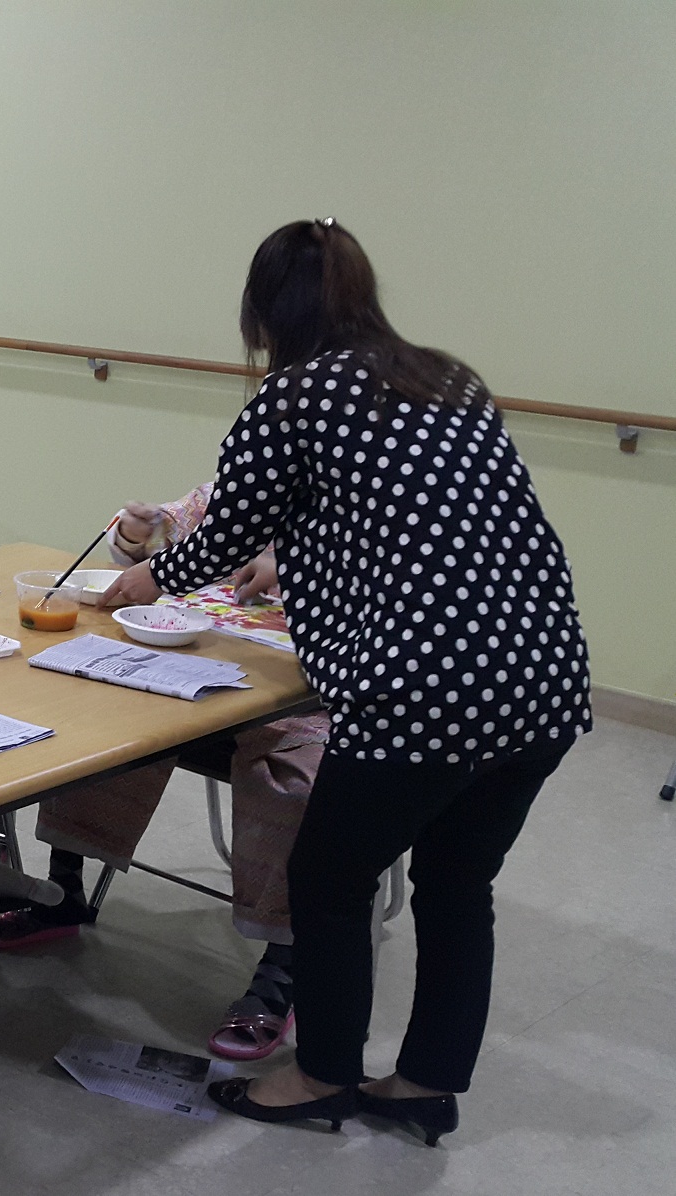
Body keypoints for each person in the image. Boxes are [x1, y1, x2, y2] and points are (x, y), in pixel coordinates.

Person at [100, 220, 589, 1140]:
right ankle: (425, 1086)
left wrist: (148, 578)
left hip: (424, 686)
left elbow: (225, 528)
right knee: (457, 885)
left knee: (327, 878)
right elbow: (415, 517)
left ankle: (320, 1076)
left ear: (262, 314)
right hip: (543, 675)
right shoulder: (445, 377)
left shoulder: (292, 397)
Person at [0, 482, 329, 1062]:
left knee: (296, 780)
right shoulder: (250, 479)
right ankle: (64, 891)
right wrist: (137, 535)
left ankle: (285, 962)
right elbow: (171, 535)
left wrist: (302, 564)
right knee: (109, 716)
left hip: (311, 687)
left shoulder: (375, 498)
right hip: (205, 659)